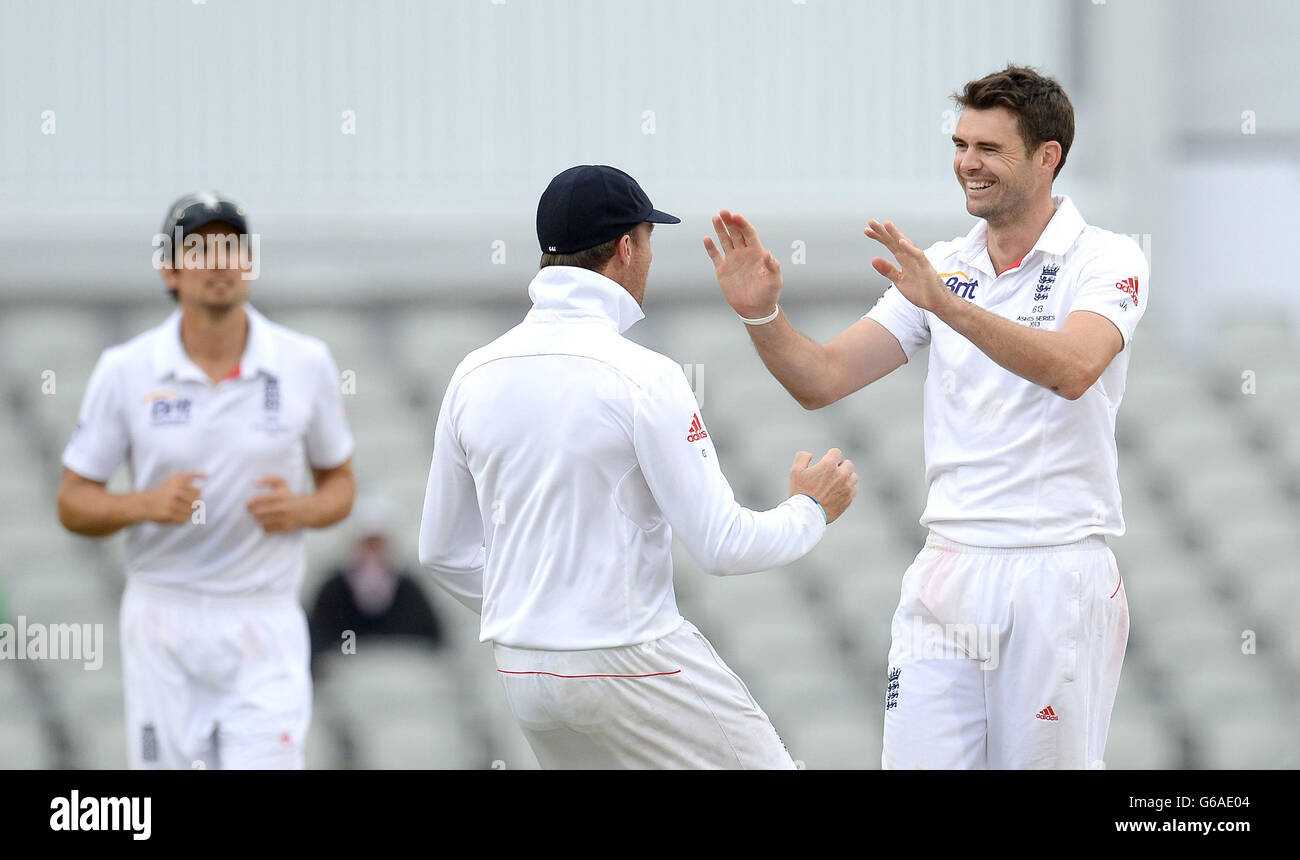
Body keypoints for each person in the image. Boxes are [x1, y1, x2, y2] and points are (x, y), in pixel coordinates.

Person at [703, 65, 1148, 769]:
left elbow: (1073, 369)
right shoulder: (944, 267)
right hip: (949, 566)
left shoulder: (1107, 257)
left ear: (1048, 156)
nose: (966, 163)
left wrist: (948, 306)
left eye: (989, 148)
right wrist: (760, 313)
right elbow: (820, 379)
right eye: (962, 142)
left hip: (1054, 572)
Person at [418, 164, 858, 769]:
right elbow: (722, 546)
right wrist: (811, 509)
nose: (649, 258)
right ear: (626, 247)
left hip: (524, 668)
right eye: (649, 240)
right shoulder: (643, 374)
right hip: (630, 657)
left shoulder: (472, 373)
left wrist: (540, 613)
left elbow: (441, 553)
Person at [56, 192, 356, 769]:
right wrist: (142, 503)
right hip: (163, 613)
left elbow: (340, 484)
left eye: (232, 247)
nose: (219, 262)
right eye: (199, 249)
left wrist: (302, 510)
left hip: (262, 612)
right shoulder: (126, 370)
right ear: (169, 269)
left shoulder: (305, 363)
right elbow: (73, 501)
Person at [307, 494, 444, 673]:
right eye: (366, 544)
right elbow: (318, 649)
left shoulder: (410, 593)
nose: (372, 553)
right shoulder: (332, 594)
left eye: (378, 543)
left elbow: (434, 645)